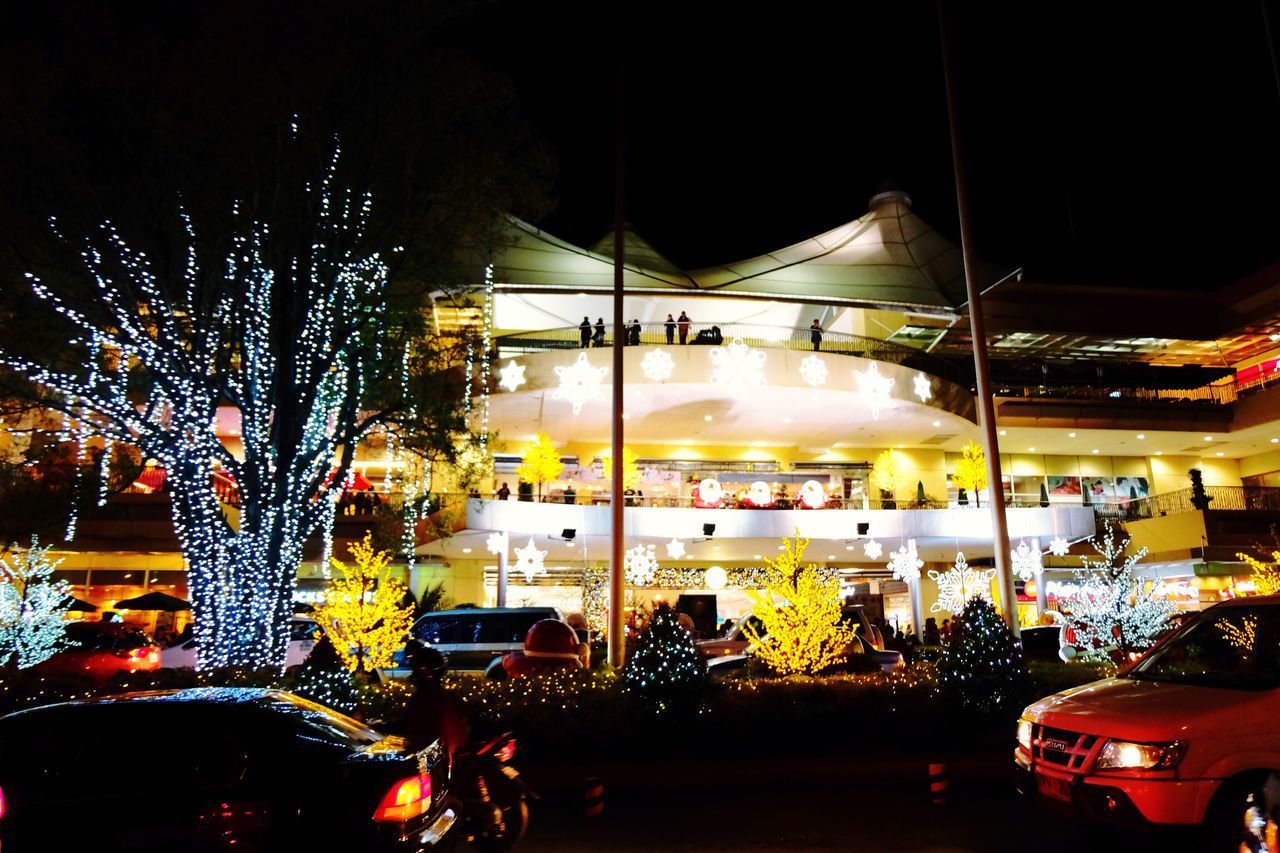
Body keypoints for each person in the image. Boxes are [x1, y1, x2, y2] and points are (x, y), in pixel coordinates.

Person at [398, 641, 470, 758]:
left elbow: (409, 726)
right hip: (443, 759)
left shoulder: (426, 699)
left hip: (435, 761)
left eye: (417, 667)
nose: (414, 671)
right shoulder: (447, 697)